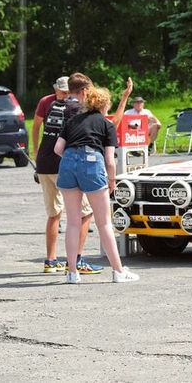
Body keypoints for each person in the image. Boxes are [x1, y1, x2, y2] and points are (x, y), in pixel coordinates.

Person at [54, 74, 139, 284]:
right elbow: (110, 160)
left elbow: (58, 149)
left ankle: (72, 273)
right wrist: (112, 182)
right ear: (103, 106)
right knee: (104, 224)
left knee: (73, 222)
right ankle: (118, 271)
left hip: (67, 163)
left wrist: (73, 159)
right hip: (92, 163)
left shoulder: (72, 120)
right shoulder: (106, 125)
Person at [33, 76, 99, 274]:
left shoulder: (51, 104)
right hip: (63, 164)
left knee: (55, 214)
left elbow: (40, 127)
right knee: (85, 212)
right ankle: (76, 260)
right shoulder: (77, 109)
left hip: (45, 164)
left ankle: (51, 261)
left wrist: (36, 154)